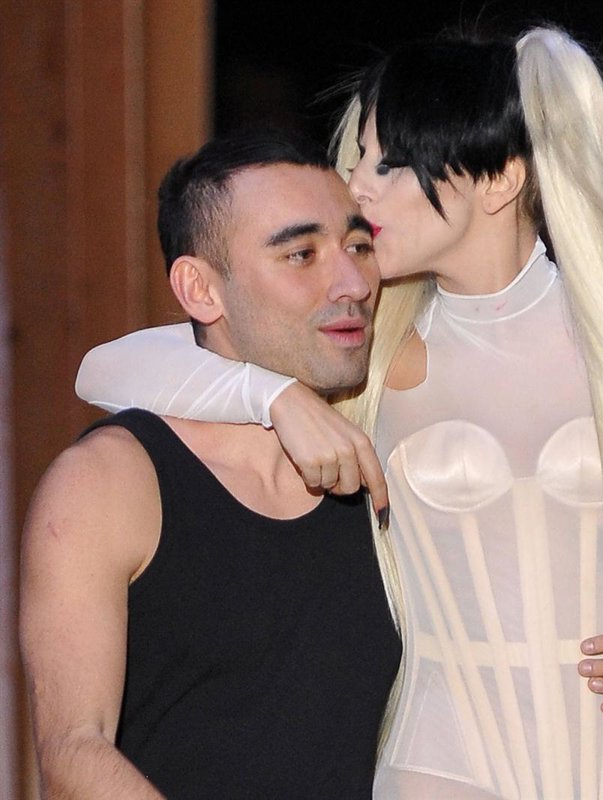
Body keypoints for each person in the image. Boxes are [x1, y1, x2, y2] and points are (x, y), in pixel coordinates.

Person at [75, 27, 603, 800]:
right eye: (358, 161)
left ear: (500, 178)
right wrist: (271, 396)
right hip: (436, 769)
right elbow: (106, 369)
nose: (357, 188)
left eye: (389, 162)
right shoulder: (369, 349)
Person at [20, 130, 401, 798]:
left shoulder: (389, 456)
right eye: (301, 254)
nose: (352, 284)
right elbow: (73, 752)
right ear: (200, 289)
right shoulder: (112, 481)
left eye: (359, 247)